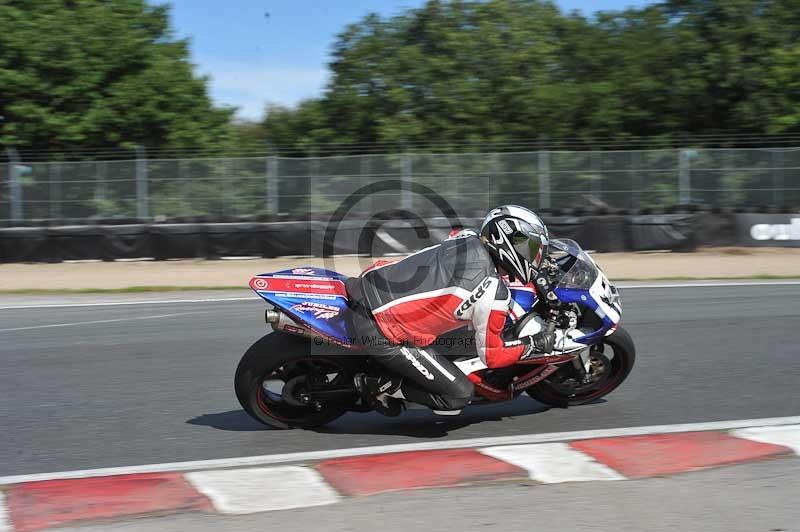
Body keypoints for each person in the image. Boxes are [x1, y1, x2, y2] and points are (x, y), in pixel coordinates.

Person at [346, 205, 557, 416]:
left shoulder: (468, 237)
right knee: (458, 395)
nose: (534, 257)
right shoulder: (493, 294)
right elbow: (492, 357)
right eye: (531, 249)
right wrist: (532, 344)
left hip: (368, 284)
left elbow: (454, 237)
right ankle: (382, 387)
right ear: (509, 243)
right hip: (380, 329)